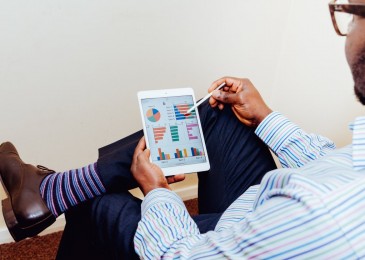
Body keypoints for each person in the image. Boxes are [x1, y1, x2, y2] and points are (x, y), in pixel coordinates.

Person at [1, 0, 364, 258]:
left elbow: (180, 255)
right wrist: (265, 116)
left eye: (351, 15)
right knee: (218, 111)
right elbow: (338, 164)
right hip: (261, 212)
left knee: (97, 202)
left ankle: (54, 192)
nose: (347, 33)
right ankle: (46, 193)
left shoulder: (324, 212)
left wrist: (157, 192)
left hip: (229, 240)